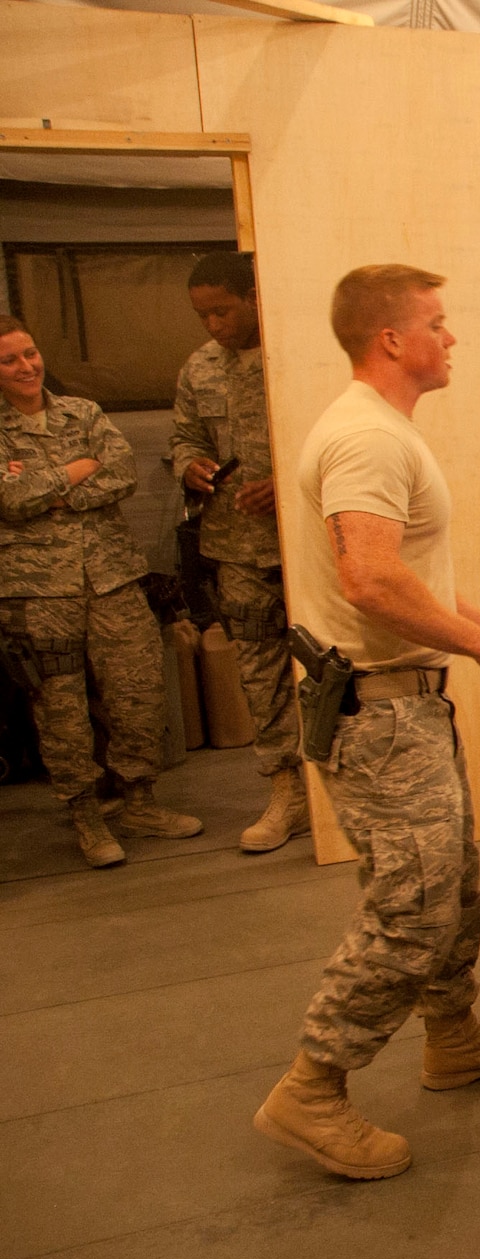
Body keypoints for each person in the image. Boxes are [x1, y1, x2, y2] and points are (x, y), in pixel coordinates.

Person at [252, 265, 480, 1180]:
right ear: (391, 340)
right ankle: (312, 1090)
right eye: (437, 321)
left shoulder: (380, 432)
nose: (451, 336)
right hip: (381, 718)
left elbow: (407, 571)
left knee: (451, 885)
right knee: (411, 909)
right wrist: (478, 650)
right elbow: (371, 582)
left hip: (404, 707)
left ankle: (454, 1039)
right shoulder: (367, 441)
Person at [0, 315, 203, 866]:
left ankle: (139, 800)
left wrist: (55, 492)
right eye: (10, 360)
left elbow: (123, 473)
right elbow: (7, 501)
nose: (27, 366)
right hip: (39, 594)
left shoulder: (82, 412)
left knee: (139, 694)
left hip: (113, 579)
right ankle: (87, 817)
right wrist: (73, 474)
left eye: (31, 353)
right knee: (60, 711)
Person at [171, 251, 307, 852]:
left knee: (336, 665)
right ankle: (287, 791)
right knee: (260, 673)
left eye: (221, 311)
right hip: (237, 547)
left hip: (310, 543)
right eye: (202, 315)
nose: (212, 326)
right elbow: (185, 435)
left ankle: (340, 787)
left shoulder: (300, 356)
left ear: (254, 296)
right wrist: (189, 465)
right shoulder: (199, 368)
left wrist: (289, 484)